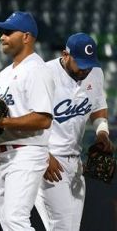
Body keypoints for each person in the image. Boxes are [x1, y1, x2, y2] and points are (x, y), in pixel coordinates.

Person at [0, 11, 55, 230]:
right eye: (2, 32)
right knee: (8, 223)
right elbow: (0, 116)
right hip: (2, 154)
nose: (2, 37)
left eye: (8, 32)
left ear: (26, 37)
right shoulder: (3, 74)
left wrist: (2, 124)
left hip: (26, 152)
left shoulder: (37, 70)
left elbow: (43, 119)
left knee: (16, 218)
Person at [34, 32, 114, 231]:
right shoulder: (45, 74)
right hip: (49, 161)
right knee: (61, 226)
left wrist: (102, 132)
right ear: (65, 55)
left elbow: (98, 106)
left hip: (75, 162)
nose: (85, 70)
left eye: (89, 63)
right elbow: (30, 118)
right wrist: (42, 155)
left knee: (71, 227)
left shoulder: (95, 73)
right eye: (80, 63)